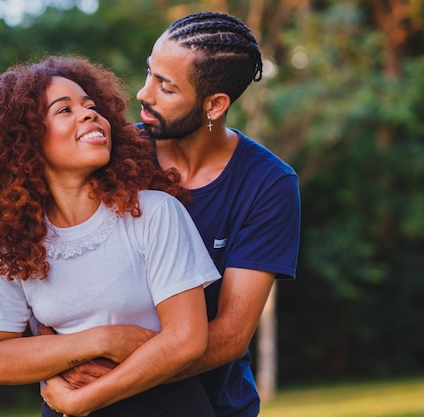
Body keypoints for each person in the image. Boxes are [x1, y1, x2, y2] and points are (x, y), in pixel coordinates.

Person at [50, 12, 301, 417]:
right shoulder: (111, 153)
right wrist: (62, 361)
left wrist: (107, 383)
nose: (143, 94)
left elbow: (231, 334)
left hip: (213, 405)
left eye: (165, 87)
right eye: (150, 73)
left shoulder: (269, 184)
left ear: (214, 105)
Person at [0, 56, 221, 416]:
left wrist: (84, 398)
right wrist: (104, 341)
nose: (90, 114)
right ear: (24, 140)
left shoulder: (154, 213)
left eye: (91, 106)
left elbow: (186, 340)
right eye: (64, 110)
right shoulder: (11, 245)